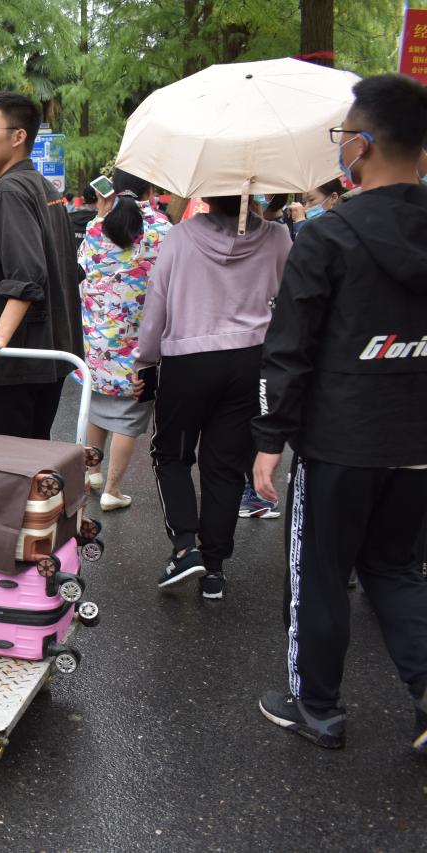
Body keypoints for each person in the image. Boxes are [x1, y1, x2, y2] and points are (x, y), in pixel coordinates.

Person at [251, 74, 427, 752]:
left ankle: (316, 706)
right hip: (417, 442)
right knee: (394, 568)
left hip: (340, 441)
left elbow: (289, 347)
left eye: (343, 136)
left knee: (320, 574)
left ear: (364, 143)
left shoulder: (327, 237)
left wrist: (270, 439)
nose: (341, 146)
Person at [135, 192, 292, 600]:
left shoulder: (180, 237)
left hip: (187, 360)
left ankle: (185, 547)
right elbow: (289, 300)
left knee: (171, 453)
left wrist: (146, 360)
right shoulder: (278, 237)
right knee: (225, 464)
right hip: (250, 359)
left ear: (206, 193)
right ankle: (215, 568)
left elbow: (157, 303)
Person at [0, 91, 83, 440]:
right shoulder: (42, 187)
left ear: (18, 136)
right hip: (50, 350)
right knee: (35, 450)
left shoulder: (11, 190)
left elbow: (28, 272)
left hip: (18, 356)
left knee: (12, 457)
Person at [77, 170, 171, 511]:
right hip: (138, 339)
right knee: (129, 417)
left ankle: (92, 474)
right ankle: (112, 491)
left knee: (97, 405)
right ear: (151, 187)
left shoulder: (95, 226)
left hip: (97, 338)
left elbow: (83, 269)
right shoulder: (162, 229)